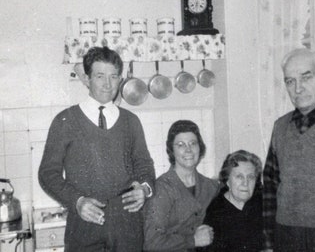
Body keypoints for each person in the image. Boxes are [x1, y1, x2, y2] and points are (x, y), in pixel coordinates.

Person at [38, 46, 155, 252]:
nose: (108, 84)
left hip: (128, 224)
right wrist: (77, 201)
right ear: (87, 78)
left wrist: (144, 189)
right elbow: (48, 174)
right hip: (84, 223)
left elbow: (145, 165)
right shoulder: (65, 121)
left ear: (120, 79)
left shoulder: (131, 121)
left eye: (114, 76)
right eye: (100, 76)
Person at [263, 48, 315, 252]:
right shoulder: (280, 126)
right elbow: (270, 184)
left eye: (306, 77)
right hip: (285, 235)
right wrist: (270, 241)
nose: (298, 88)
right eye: (290, 81)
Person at [143, 120, 219, 252]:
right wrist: (193, 240)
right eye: (180, 145)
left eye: (193, 143)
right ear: (171, 151)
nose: (188, 149)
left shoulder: (211, 187)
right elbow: (151, 242)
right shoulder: (162, 189)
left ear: (200, 147)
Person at [200, 150, 263, 252]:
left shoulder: (260, 203)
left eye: (251, 177)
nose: (245, 183)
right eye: (239, 176)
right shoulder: (216, 212)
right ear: (227, 180)